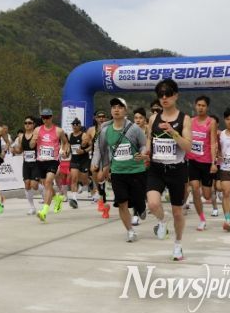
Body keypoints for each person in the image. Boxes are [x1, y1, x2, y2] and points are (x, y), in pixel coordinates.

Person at [145, 79, 192, 261]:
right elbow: (149, 140)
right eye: (161, 95)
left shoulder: (184, 119)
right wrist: (146, 153)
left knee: (177, 212)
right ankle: (162, 221)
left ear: (176, 96)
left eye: (168, 94)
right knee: (153, 204)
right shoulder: (153, 119)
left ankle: (178, 244)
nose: (164, 98)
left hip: (177, 170)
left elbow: (187, 146)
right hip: (156, 168)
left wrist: (173, 131)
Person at [93, 97, 148, 242]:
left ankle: (141, 208)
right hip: (118, 172)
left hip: (136, 171)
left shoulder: (134, 128)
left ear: (125, 110)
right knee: (122, 203)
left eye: (120, 107)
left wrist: (143, 154)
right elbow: (102, 150)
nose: (116, 110)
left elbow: (143, 145)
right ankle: (130, 231)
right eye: (114, 107)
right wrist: (100, 166)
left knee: (139, 202)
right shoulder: (105, 131)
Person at [185, 96, 218, 231]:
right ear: (195, 106)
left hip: (206, 162)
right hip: (192, 160)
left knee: (207, 195)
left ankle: (213, 194)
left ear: (207, 107)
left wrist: (214, 163)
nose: (200, 108)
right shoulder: (190, 121)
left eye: (203, 105)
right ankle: (202, 219)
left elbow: (213, 143)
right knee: (194, 188)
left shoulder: (211, 122)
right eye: (198, 105)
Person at [31, 108, 69, 222]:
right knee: (47, 185)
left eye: (47, 117)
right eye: (43, 117)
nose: (45, 119)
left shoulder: (58, 130)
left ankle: (44, 211)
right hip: (40, 161)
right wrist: (33, 140)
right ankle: (57, 198)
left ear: (51, 117)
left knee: (48, 182)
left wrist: (64, 150)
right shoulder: (37, 129)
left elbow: (65, 142)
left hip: (53, 161)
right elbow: (31, 145)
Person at [14, 116, 42, 215]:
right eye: (25, 123)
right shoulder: (21, 137)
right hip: (26, 163)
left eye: (29, 123)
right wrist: (14, 150)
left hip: (36, 163)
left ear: (34, 124)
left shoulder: (37, 135)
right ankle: (32, 207)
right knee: (27, 184)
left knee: (34, 185)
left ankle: (46, 191)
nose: (27, 125)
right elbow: (20, 150)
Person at [87, 109, 109, 216]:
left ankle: (102, 196)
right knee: (94, 173)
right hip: (96, 153)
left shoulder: (109, 128)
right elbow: (88, 143)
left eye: (103, 116)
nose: (101, 118)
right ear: (95, 118)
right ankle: (101, 194)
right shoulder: (91, 130)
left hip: (107, 153)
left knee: (102, 177)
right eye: (99, 117)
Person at [68, 118, 91, 209]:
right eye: (73, 124)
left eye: (77, 124)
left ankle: (89, 182)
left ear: (80, 125)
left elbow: (91, 146)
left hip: (83, 160)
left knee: (84, 180)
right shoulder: (70, 135)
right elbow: (69, 147)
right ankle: (74, 199)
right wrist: (66, 152)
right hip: (74, 160)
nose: (75, 126)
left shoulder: (84, 135)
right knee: (74, 178)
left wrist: (84, 151)